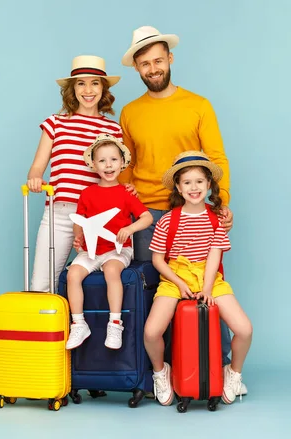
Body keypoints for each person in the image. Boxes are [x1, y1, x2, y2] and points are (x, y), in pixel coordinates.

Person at [119, 26, 246, 393]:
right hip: (145, 216)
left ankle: (212, 369)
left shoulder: (198, 105)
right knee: (155, 295)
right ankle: (159, 374)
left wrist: (222, 203)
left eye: (158, 60)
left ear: (170, 59)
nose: (153, 68)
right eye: (145, 64)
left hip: (193, 212)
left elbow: (216, 157)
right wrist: (124, 213)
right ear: (138, 69)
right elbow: (126, 167)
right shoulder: (130, 112)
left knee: (207, 292)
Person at [143, 151, 252, 405]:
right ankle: (161, 372)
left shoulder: (216, 221)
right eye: (188, 182)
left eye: (200, 182)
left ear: (209, 185)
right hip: (174, 276)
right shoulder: (167, 221)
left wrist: (206, 288)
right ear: (179, 188)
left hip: (209, 276)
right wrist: (179, 283)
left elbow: (214, 257)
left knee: (244, 329)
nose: (194, 187)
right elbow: (158, 260)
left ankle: (232, 373)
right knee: (151, 332)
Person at [26, 55, 125, 293]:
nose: (88, 90)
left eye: (95, 83)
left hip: (99, 215)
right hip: (60, 214)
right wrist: (35, 178)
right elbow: (38, 165)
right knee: (42, 284)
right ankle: (47, 330)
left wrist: (125, 188)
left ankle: (87, 328)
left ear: (104, 88)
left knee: (97, 283)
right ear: (72, 89)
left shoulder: (112, 129)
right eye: (81, 83)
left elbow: (115, 172)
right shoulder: (56, 123)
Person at [65, 134, 153, 350]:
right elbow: (80, 221)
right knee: (72, 274)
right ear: (93, 165)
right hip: (91, 250)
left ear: (122, 163)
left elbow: (147, 217)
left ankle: (115, 324)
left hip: (118, 249)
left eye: (113, 159)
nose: (108, 165)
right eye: (102, 160)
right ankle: (79, 323)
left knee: (112, 272)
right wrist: (78, 236)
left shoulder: (126, 193)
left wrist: (129, 229)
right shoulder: (87, 193)